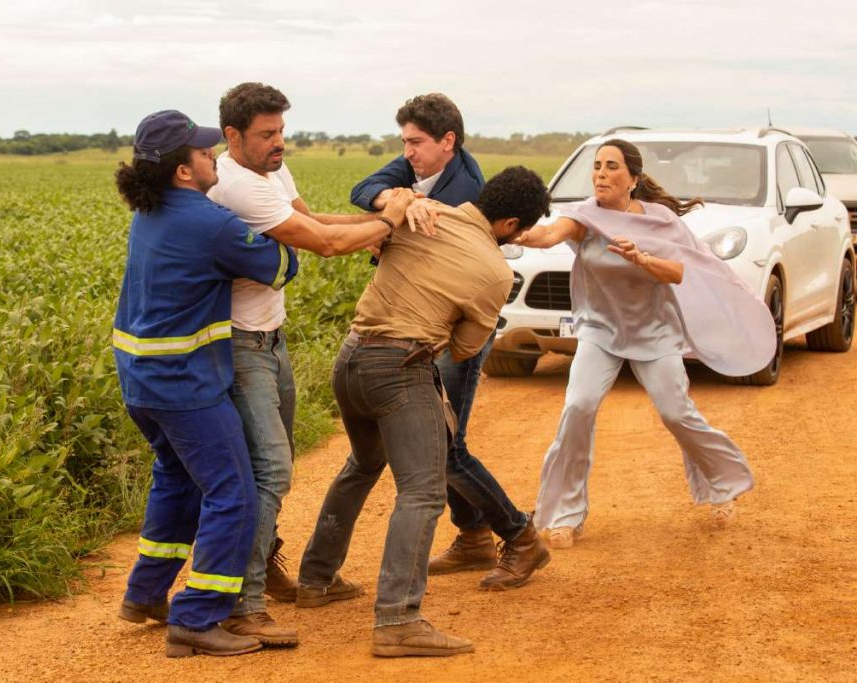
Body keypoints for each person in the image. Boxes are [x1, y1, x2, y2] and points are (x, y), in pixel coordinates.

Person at [297, 167, 553, 657]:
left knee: (362, 465)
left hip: (349, 359)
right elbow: (462, 349)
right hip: (398, 367)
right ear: (512, 224)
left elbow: (373, 228)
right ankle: (398, 619)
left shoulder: (423, 213)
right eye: (518, 233)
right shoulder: (497, 271)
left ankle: (317, 580)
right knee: (423, 492)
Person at [206, 82, 419, 647]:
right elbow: (321, 243)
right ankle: (242, 605)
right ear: (233, 137)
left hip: (270, 338)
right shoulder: (236, 185)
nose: (279, 143)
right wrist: (391, 220)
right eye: (266, 135)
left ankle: (260, 568)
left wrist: (374, 227)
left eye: (281, 131)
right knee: (270, 470)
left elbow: (315, 219)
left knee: (276, 463)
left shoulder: (273, 174)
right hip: (239, 342)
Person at [516, 138, 774, 549]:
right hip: (600, 331)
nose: (601, 173)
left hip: (654, 332)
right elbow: (547, 237)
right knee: (578, 407)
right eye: (597, 166)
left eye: (612, 166)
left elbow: (679, 271)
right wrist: (509, 230)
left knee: (676, 413)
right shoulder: (583, 217)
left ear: (632, 179)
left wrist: (643, 259)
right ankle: (565, 514)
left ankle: (722, 486)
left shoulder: (661, 221)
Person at [111, 110, 299, 657]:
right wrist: (279, 233)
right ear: (182, 172)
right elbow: (283, 265)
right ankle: (196, 617)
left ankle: (145, 594)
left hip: (141, 379)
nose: (213, 155)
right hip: (184, 385)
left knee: (177, 480)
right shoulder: (208, 221)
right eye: (203, 152)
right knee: (233, 491)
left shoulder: (151, 212)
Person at [350, 93, 541, 588]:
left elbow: (462, 328)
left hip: (442, 331)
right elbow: (364, 187)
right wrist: (399, 201)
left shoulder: (465, 194)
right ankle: (476, 535)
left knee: (446, 449)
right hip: (420, 332)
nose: (407, 152)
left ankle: (520, 536)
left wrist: (393, 225)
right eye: (406, 142)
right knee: (445, 444)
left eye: (415, 142)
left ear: (447, 142)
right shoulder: (422, 166)